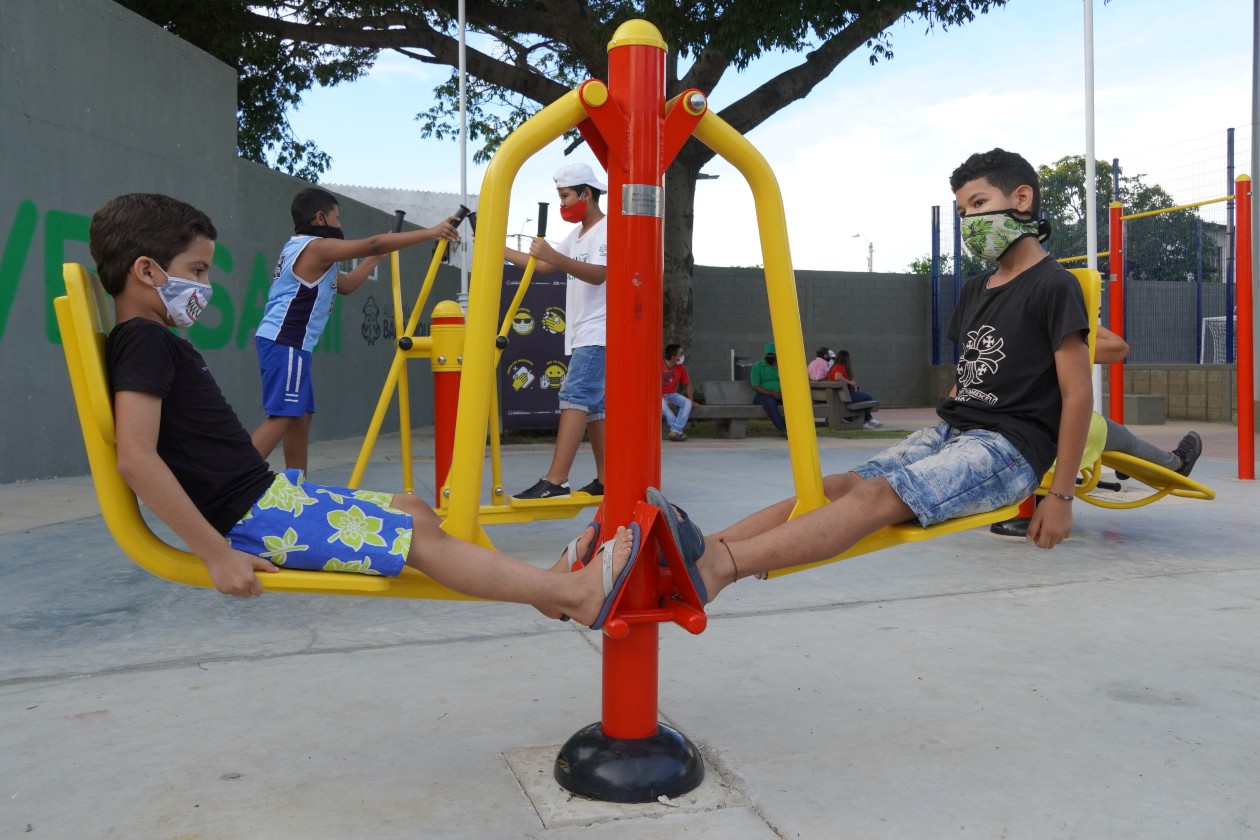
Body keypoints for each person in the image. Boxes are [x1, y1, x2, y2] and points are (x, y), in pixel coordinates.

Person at [91, 192, 639, 627]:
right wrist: (215, 554)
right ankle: (570, 594)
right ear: (146, 271)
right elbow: (136, 459)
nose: (205, 285)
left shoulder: (149, 339)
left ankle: (547, 590)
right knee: (415, 533)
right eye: (198, 269)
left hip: (267, 501)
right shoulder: (143, 340)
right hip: (255, 519)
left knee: (411, 506)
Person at [644, 148, 1092, 593]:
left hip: (1009, 448)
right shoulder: (977, 287)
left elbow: (1077, 395)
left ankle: (718, 568)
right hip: (955, 432)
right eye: (962, 211)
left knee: (874, 498)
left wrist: (1060, 496)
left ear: (1021, 198)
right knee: (837, 486)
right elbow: (971, 371)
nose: (968, 220)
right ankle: (700, 548)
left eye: (978, 204)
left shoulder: (1054, 285)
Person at [251, 187, 462, 474]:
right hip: (285, 340)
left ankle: (296, 488)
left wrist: (375, 259)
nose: (341, 225)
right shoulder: (316, 248)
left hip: (291, 344)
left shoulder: (302, 251)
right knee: (284, 416)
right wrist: (432, 232)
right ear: (320, 218)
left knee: (300, 415)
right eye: (338, 218)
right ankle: (231, 481)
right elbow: (374, 243)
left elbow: (347, 285)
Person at [989, 324, 1202, 537]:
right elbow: (1119, 347)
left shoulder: (999, 337)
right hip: (1051, 425)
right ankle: (1177, 463)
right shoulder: (1057, 344)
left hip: (1005, 425)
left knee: (1107, 434)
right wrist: (1080, 323)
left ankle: (1131, 462)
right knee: (1118, 437)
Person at [505, 162, 609, 499]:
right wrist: (496, 247)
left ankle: (556, 480)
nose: (563, 204)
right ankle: (608, 479)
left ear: (586, 193)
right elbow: (546, 264)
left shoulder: (607, 229)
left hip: (599, 328)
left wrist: (553, 255)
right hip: (583, 329)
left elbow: (599, 273)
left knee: (575, 396)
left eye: (565, 197)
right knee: (592, 407)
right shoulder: (577, 234)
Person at [827, 349, 882, 429]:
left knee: (864, 399)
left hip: (838, 396)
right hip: (845, 396)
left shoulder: (833, 367)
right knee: (869, 397)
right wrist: (850, 382)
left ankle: (868, 419)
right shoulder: (840, 366)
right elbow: (837, 377)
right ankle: (868, 419)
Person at [749, 341, 787, 434]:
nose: (770, 357)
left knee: (792, 402)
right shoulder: (757, 366)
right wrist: (771, 393)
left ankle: (797, 429)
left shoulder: (782, 365)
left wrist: (783, 393)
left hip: (779, 394)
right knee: (770, 402)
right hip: (761, 395)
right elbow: (755, 386)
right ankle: (783, 429)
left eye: (773, 355)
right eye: (768, 355)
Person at [661, 343, 694, 441]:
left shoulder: (681, 368)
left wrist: (691, 400)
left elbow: (688, 384)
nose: (682, 356)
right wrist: (662, 396)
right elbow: (649, 385)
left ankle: (675, 430)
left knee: (687, 402)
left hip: (672, 394)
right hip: (657, 396)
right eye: (680, 354)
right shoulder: (657, 365)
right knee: (663, 404)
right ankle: (677, 431)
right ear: (673, 357)